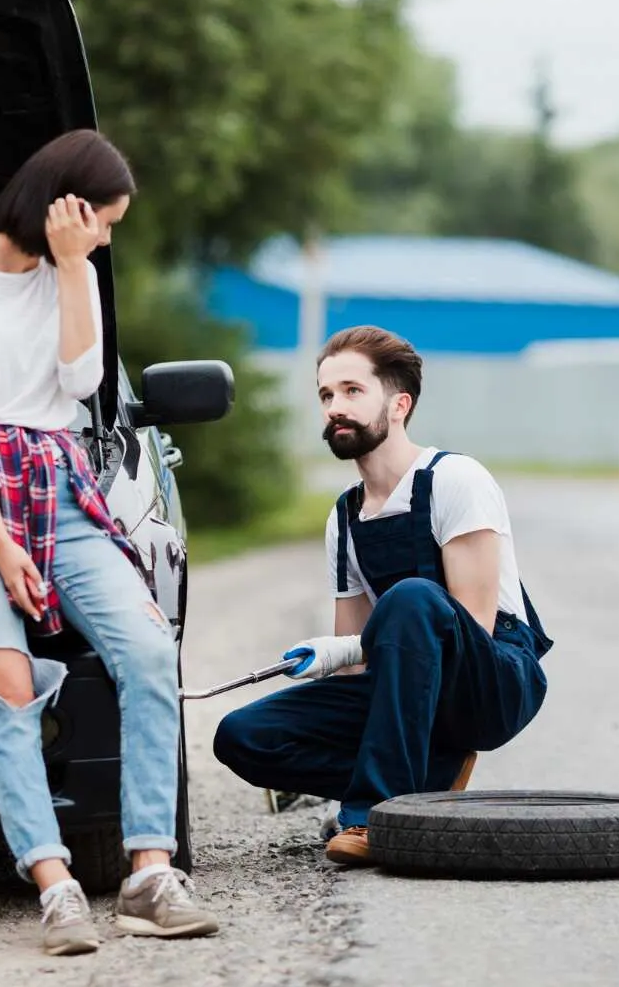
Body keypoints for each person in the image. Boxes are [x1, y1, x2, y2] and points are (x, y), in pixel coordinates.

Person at [0, 129, 218, 955]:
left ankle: (148, 873)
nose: (103, 239)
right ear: (62, 201)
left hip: (60, 486)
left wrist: (71, 270)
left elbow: (79, 382)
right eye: (102, 222)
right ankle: (55, 885)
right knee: (6, 683)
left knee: (145, 649)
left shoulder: (78, 277)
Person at [212, 325, 555, 865]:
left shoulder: (455, 479)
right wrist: (332, 666)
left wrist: (361, 653)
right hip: (402, 683)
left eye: (352, 391)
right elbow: (354, 659)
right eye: (326, 395)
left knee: (412, 596)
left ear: (399, 405)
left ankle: (374, 815)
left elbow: (474, 621)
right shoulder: (344, 517)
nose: (335, 407)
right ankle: (434, 772)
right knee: (242, 735)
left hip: (491, 679)